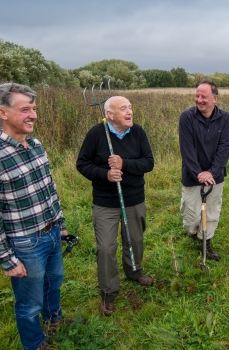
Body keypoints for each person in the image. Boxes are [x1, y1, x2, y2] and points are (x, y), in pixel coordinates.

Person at [0, 82, 69, 350]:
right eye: (25, 109)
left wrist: (61, 225)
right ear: (3, 113)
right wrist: (6, 260)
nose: (33, 115)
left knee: (54, 282)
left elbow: (49, 189)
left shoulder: (36, 145)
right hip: (25, 244)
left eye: (34, 108)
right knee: (28, 302)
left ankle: (54, 318)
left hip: (51, 232)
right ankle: (35, 343)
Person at [76, 95, 154, 316]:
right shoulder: (97, 134)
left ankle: (134, 271)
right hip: (105, 202)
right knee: (106, 248)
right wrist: (106, 174)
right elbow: (82, 164)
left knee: (135, 240)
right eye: (123, 109)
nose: (130, 112)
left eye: (130, 107)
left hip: (133, 198)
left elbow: (149, 162)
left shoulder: (138, 132)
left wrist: (124, 164)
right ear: (109, 115)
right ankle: (108, 293)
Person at [179, 80, 229, 261]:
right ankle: (193, 230)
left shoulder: (224, 118)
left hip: (215, 176)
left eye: (204, 96)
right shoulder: (187, 117)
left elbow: (225, 147)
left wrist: (212, 172)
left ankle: (206, 242)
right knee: (191, 216)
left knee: (212, 211)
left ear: (215, 98)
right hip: (192, 176)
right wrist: (198, 173)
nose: (199, 100)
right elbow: (187, 149)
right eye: (197, 96)